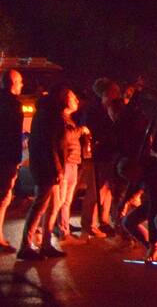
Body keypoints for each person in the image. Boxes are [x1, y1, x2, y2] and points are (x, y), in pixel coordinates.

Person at [18, 85, 71, 260]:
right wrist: (57, 168)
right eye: (67, 95)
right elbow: (50, 144)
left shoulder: (48, 112)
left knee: (54, 205)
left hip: (48, 166)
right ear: (60, 97)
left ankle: (46, 243)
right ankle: (26, 245)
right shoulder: (51, 115)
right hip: (47, 168)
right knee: (40, 205)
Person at [80, 78, 120, 238]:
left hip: (110, 154)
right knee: (96, 191)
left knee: (106, 190)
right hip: (98, 155)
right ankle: (89, 224)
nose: (118, 95)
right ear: (105, 93)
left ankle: (103, 221)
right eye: (114, 91)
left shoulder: (110, 109)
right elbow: (90, 132)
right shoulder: (94, 111)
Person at [55, 89, 87, 240]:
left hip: (73, 161)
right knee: (62, 199)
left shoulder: (68, 118)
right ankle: (62, 229)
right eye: (73, 98)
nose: (77, 101)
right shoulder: (60, 118)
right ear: (65, 101)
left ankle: (64, 227)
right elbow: (66, 136)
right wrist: (81, 130)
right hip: (66, 162)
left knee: (67, 200)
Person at [0, 69, 24, 253]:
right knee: (3, 196)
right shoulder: (13, 104)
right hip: (6, 157)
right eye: (20, 82)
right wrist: (16, 158)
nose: (22, 85)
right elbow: (12, 134)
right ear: (13, 83)